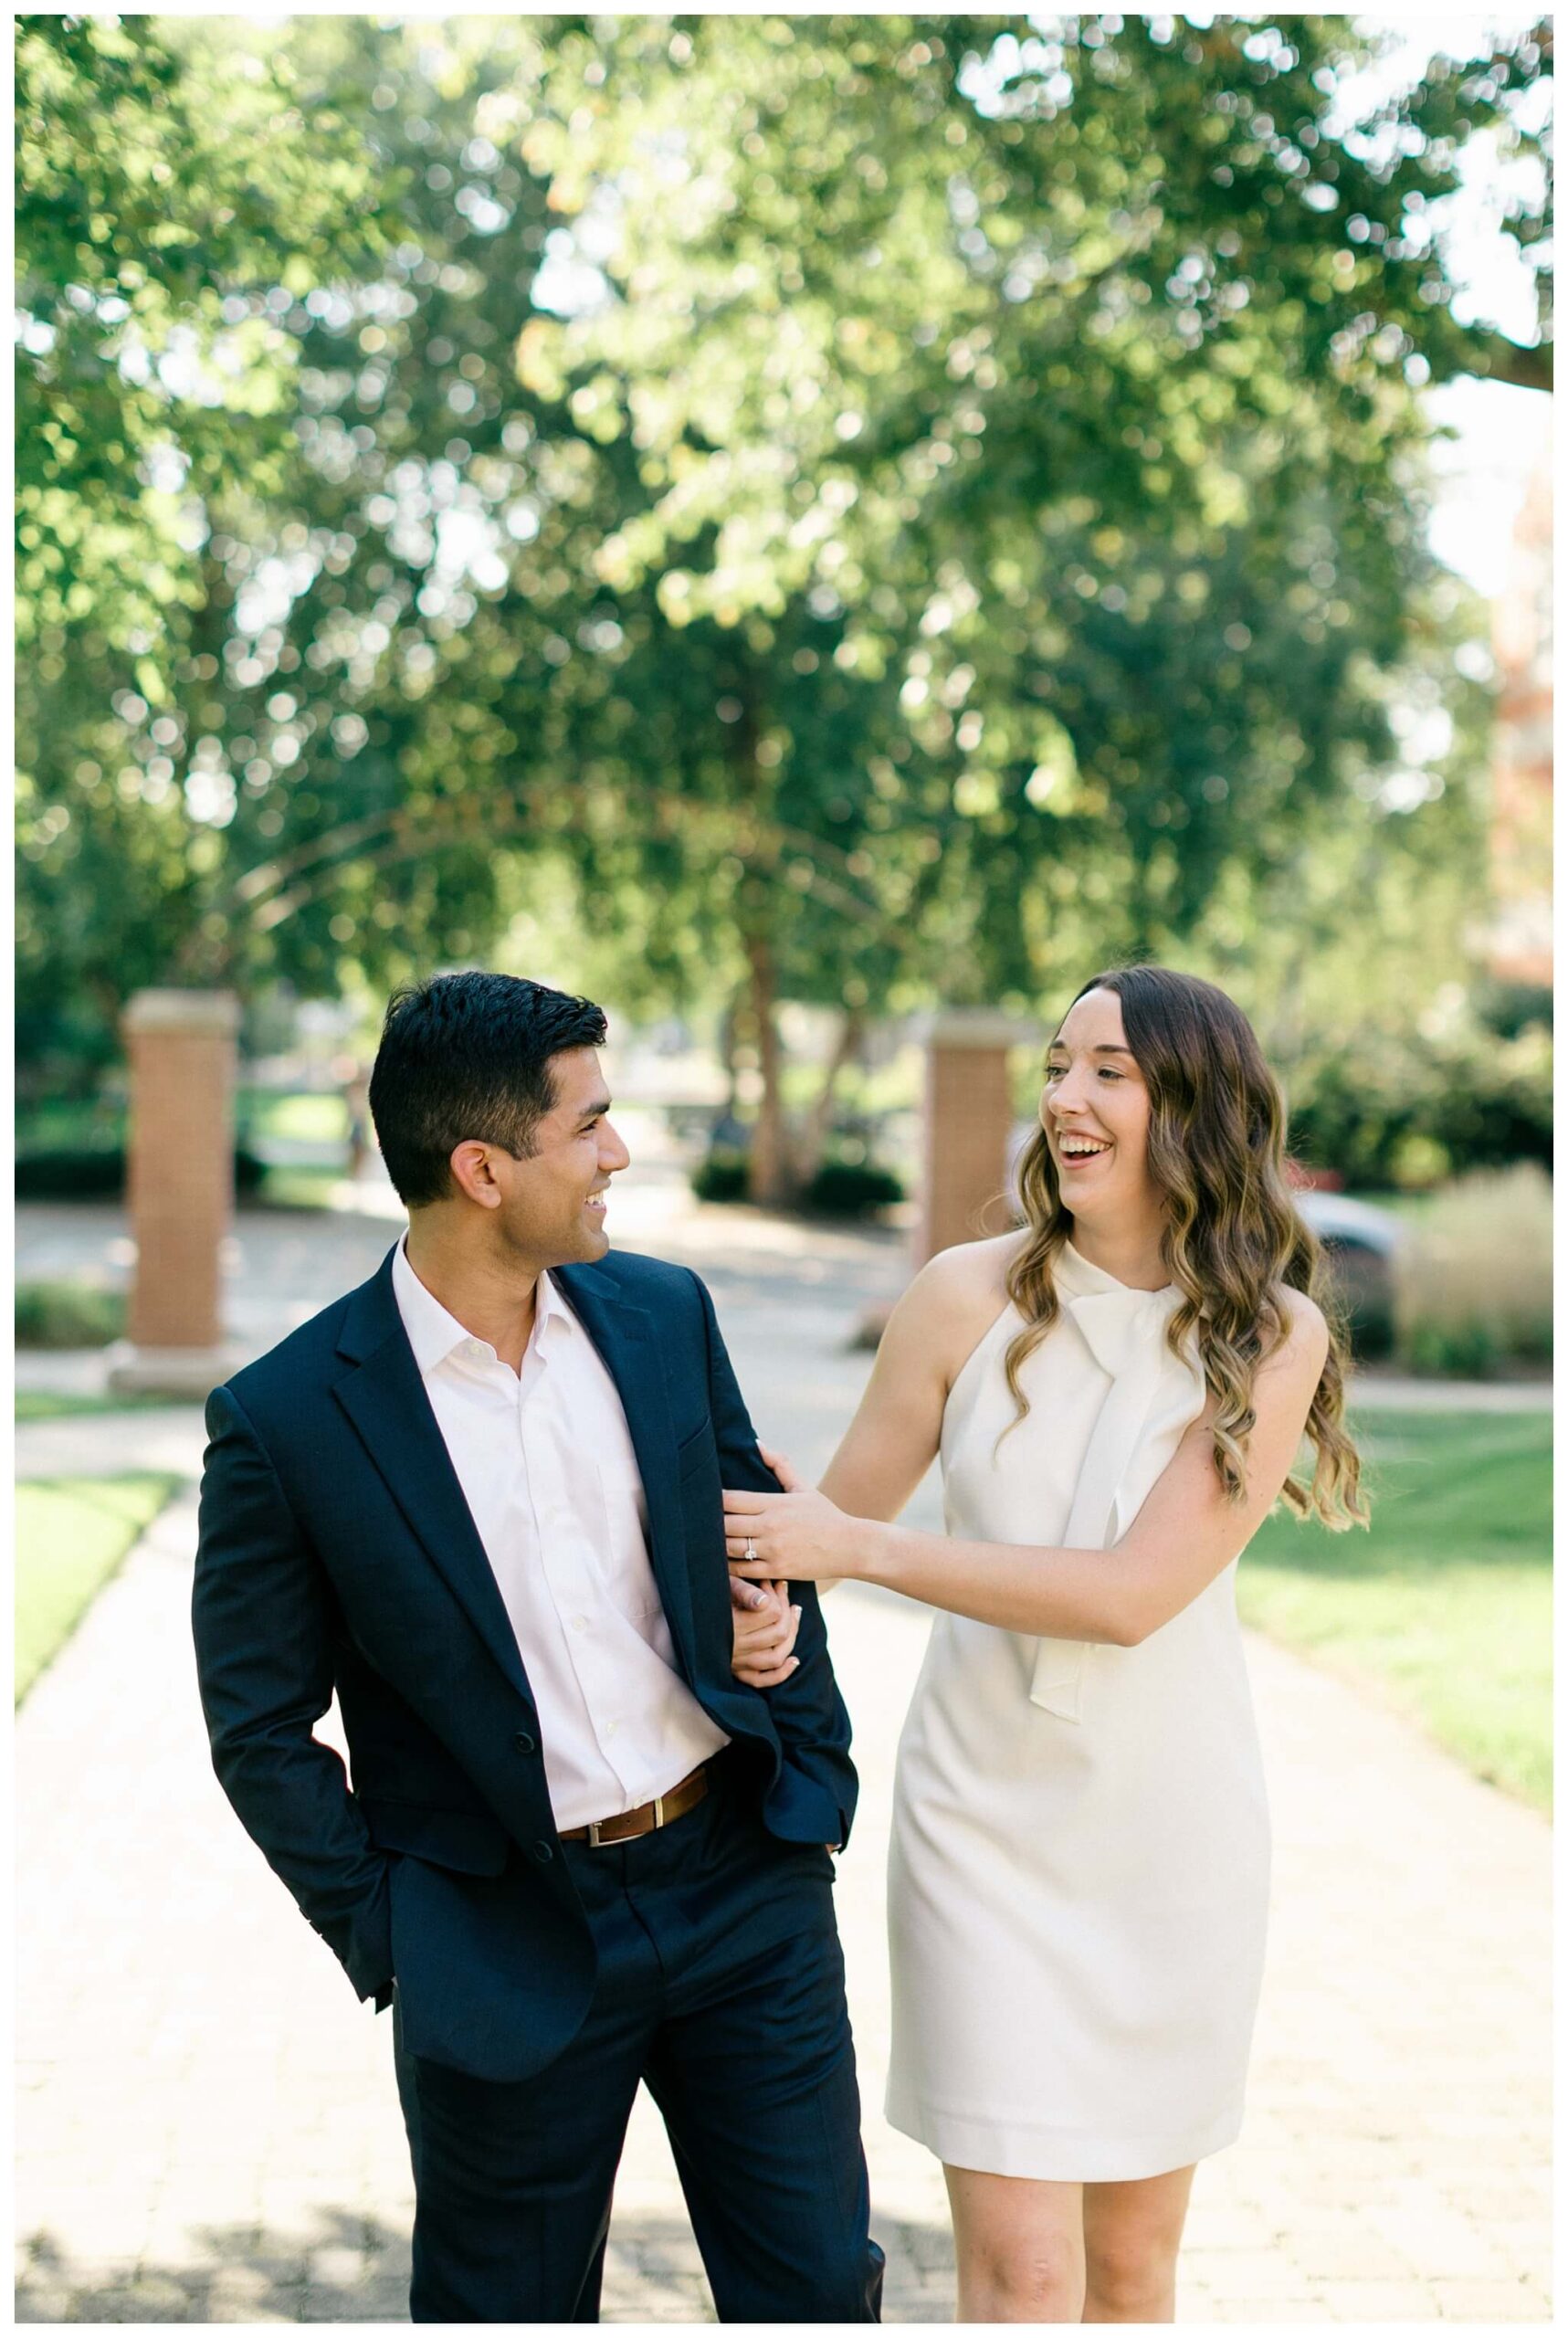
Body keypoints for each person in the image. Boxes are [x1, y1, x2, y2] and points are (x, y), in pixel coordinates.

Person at [193, 971, 884, 2325]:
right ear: (481, 1170)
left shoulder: (664, 1315)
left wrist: (793, 1704)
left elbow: (758, 1535)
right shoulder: (284, 1421)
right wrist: (393, 1929)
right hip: (503, 1937)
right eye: (589, 1126)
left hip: (744, 1888)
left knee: (815, 2294)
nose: (619, 1152)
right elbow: (259, 1729)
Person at [725, 964, 1366, 2323]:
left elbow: (1135, 1593)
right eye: (1056, 1068)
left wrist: (856, 1552)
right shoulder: (959, 1299)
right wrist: (771, 1581)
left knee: (1132, 2278)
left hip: (1167, 1845)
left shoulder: (1271, 1336)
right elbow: (834, 1525)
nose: (1065, 1100)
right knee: (1017, 2280)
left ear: (1192, 1109)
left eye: (1108, 1072)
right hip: (981, 1831)